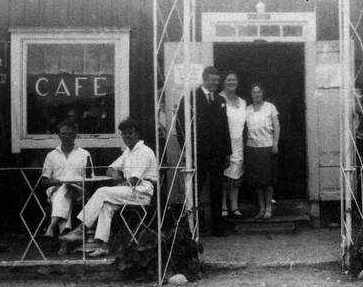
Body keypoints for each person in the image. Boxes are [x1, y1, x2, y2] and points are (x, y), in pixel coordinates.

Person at [60, 118, 158, 257]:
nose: (127, 136)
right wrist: (116, 174)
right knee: (106, 205)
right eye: (124, 134)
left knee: (102, 192)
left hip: (142, 193)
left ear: (137, 134)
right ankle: (103, 246)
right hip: (131, 191)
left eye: (130, 133)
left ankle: (80, 230)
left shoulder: (144, 152)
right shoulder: (128, 152)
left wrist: (118, 184)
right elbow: (109, 169)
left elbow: (134, 181)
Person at [177, 66, 232, 236]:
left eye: (217, 80)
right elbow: (180, 126)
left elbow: (224, 128)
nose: (215, 83)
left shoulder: (220, 100)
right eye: (212, 80)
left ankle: (216, 228)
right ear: (204, 79)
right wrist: (187, 151)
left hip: (216, 154)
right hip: (197, 153)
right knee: (195, 189)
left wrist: (227, 152)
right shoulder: (191, 98)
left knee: (217, 190)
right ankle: (190, 227)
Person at [40, 119, 92, 255]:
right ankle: (65, 240)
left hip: (78, 192)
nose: (67, 136)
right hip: (56, 191)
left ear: (75, 134)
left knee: (67, 190)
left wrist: (77, 183)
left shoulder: (84, 154)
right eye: (64, 133)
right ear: (59, 135)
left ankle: (52, 226)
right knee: (64, 191)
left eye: (70, 133)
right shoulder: (51, 156)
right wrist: (60, 183)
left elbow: (91, 180)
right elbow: (44, 182)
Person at [245, 82, 280, 220]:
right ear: (251, 94)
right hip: (252, 147)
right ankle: (261, 208)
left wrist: (275, 144)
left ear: (263, 93)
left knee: (268, 180)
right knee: (256, 181)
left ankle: (269, 208)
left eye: (259, 92)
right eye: (254, 92)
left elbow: (277, 126)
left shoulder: (270, 107)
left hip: (267, 146)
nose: (256, 94)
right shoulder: (247, 109)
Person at [220, 70, 247, 218]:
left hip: (239, 143)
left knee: (236, 174)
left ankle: (234, 206)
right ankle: (223, 206)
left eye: (234, 80)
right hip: (225, 142)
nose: (232, 82)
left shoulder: (242, 102)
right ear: (224, 82)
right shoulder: (219, 99)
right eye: (229, 80)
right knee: (224, 174)